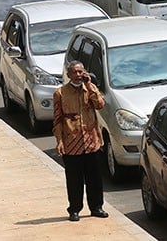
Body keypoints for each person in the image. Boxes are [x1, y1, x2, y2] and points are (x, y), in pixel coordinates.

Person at [52, 61, 109, 222]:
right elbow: (57, 120)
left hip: (92, 142)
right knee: (74, 180)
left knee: (95, 178)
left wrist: (90, 86)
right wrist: (59, 141)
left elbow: (100, 104)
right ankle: (74, 209)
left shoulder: (89, 89)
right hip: (72, 143)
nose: (78, 75)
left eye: (80, 72)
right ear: (69, 75)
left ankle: (96, 207)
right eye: (75, 72)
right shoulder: (60, 93)